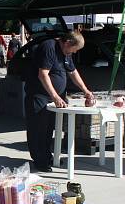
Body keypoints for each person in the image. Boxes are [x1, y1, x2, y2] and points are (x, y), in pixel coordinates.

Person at [24, 31, 94, 172]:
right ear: (67, 43)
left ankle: (46, 157)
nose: (74, 53)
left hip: (54, 98)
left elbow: (73, 72)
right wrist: (55, 96)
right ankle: (40, 161)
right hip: (39, 95)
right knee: (38, 129)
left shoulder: (66, 52)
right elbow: (43, 74)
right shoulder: (49, 47)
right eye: (74, 49)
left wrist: (86, 90)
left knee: (49, 129)